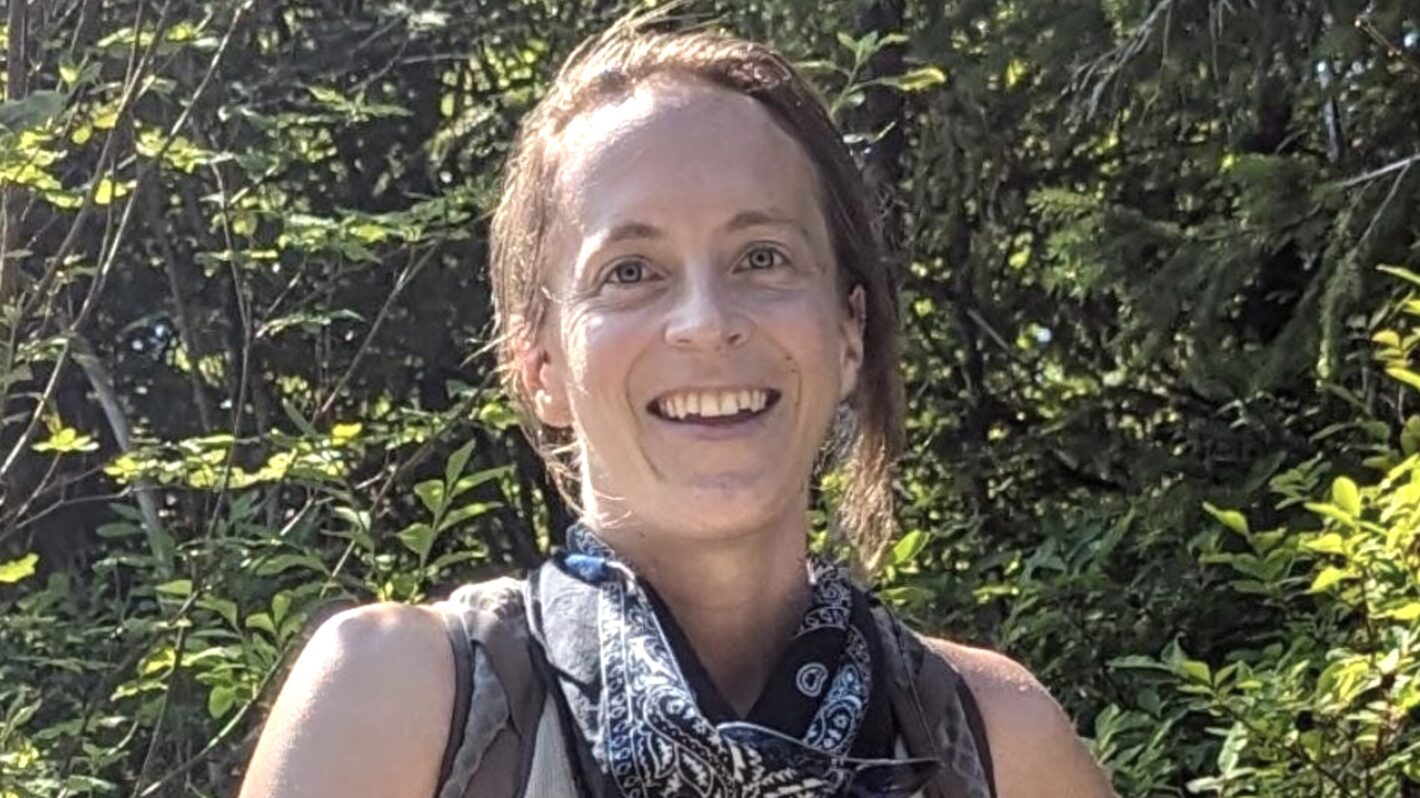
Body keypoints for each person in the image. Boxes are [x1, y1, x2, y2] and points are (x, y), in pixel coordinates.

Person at [238, 16, 1116, 798]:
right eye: (630, 272)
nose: (705, 322)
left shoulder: (994, 744)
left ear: (849, 334)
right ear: (539, 365)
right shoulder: (399, 708)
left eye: (762, 257)